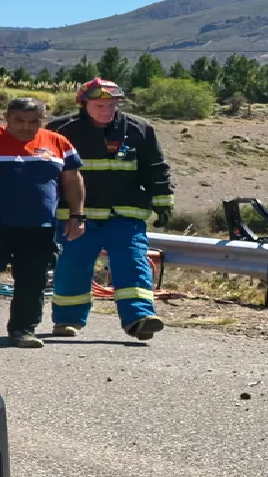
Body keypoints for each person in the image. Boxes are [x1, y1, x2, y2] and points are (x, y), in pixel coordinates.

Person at [45, 77, 174, 341]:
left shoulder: (139, 129)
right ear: (84, 104)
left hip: (125, 214)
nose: (107, 110)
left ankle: (139, 318)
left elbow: (156, 168)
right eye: (99, 105)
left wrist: (163, 202)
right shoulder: (60, 130)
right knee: (73, 265)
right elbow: (47, 172)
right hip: (76, 216)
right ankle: (67, 320)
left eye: (112, 104)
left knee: (133, 261)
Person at [1, 97, 86, 348]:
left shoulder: (58, 143)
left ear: (43, 120)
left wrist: (77, 215)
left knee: (33, 281)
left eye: (33, 121)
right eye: (19, 120)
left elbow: (72, 180)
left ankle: (23, 330)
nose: (26, 126)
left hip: (39, 227)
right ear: (7, 118)